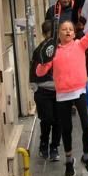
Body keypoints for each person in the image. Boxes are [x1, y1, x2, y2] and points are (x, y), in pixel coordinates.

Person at [36, 0, 88, 176]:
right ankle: (69, 161)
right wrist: (45, 61)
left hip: (80, 91)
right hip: (62, 95)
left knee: (87, 126)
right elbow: (39, 72)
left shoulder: (80, 45)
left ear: (74, 33)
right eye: (64, 29)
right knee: (67, 130)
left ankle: (86, 156)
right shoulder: (53, 51)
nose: (68, 31)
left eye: (70, 29)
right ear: (58, 34)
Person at [29, 20, 60, 161]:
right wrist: (35, 88)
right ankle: (43, 143)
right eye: (48, 35)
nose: (51, 38)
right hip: (43, 91)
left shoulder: (61, 49)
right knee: (47, 119)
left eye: (53, 35)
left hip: (60, 91)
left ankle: (54, 147)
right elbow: (33, 71)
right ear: (44, 34)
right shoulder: (40, 51)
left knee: (58, 121)